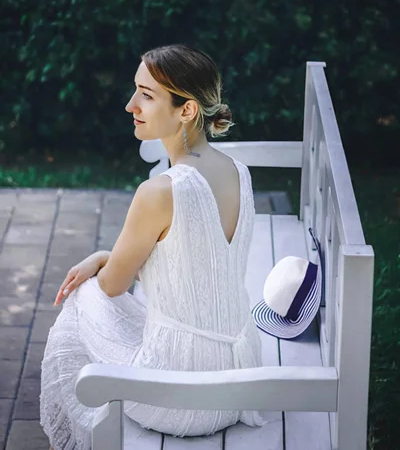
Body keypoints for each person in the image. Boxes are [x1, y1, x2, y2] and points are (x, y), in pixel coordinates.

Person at [40, 44, 266, 450]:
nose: (131, 105)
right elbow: (196, 259)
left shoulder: (159, 192)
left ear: (187, 110)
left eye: (147, 95)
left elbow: (112, 286)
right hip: (239, 380)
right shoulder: (240, 172)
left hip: (178, 397)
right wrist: (107, 256)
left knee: (82, 293)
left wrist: (101, 262)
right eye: (135, 90)